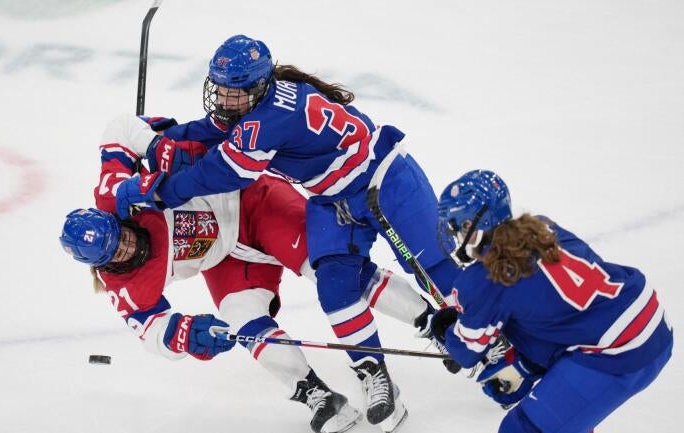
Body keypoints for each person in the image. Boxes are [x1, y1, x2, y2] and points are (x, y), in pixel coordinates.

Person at [109, 34, 461, 432]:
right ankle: (372, 374)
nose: (223, 101)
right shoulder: (251, 108)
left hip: (381, 178)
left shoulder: (266, 121)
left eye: (233, 94)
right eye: (219, 91)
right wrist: (158, 145)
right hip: (331, 199)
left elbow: (218, 173)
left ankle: (481, 336)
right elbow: (205, 131)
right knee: (335, 288)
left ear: (258, 87)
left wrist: (156, 189)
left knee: (436, 269)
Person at [59, 116, 434, 433]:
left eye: (121, 235)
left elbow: (118, 128)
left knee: (334, 273)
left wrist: (156, 147)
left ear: (114, 220)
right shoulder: (124, 287)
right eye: (117, 254)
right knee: (240, 320)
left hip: (254, 200)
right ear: (103, 265)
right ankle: (314, 392)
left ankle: (431, 324)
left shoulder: (115, 196)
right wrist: (186, 335)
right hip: (225, 258)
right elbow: (152, 332)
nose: (127, 245)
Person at [428, 169, 673, 433]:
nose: (453, 238)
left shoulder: (485, 278)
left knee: (523, 429)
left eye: (456, 227)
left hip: (619, 351)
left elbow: (465, 351)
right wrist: (524, 366)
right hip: (647, 317)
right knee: (565, 422)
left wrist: (446, 329)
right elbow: (560, 313)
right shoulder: (541, 226)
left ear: (472, 227)